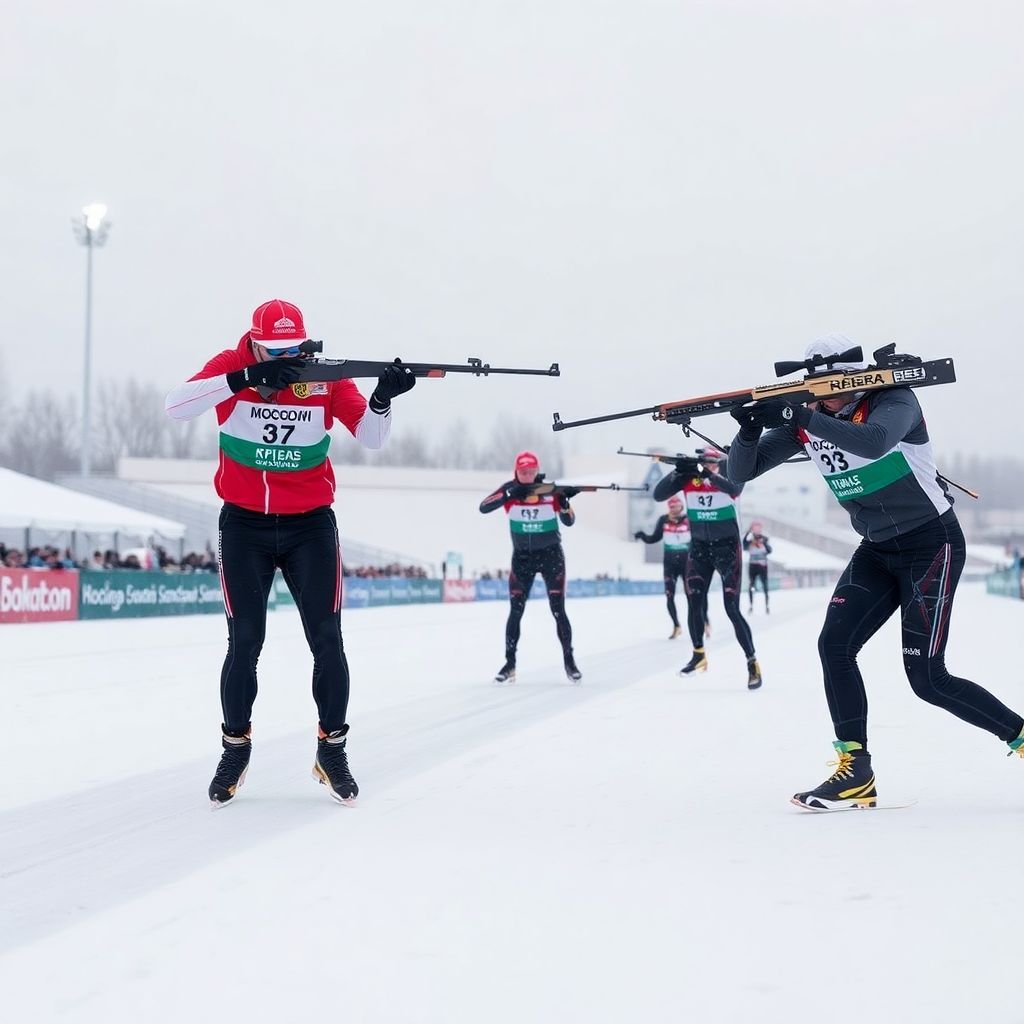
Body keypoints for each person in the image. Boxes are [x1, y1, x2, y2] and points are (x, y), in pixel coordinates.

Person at [727, 334, 1024, 810]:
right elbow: (741, 473)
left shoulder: (894, 400)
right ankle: (856, 771)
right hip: (877, 549)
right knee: (834, 646)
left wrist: (798, 415)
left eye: (831, 387)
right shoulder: (810, 417)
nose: (823, 398)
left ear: (853, 378)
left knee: (928, 680)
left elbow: (875, 442)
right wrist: (748, 430)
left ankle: (1020, 736)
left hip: (931, 544)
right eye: (814, 389)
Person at [164, 298, 415, 807]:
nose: (287, 357)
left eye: (294, 348)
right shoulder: (233, 364)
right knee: (245, 641)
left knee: (327, 640)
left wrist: (382, 399)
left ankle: (332, 751)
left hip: (310, 526)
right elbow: (176, 406)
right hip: (244, 525)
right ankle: (235, 750)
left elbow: (371, 438)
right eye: (275, 350)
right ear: (254, 343)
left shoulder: (324, 377)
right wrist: (246, 378)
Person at [653, 447, 761, 688]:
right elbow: (658, 495)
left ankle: (752, 662)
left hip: (728, 550)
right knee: (694, 602)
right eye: (704, 462)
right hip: (700, 549)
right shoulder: (689, 478)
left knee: (731, 608)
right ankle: (698, 654)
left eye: (711, 462)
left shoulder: (730, 473)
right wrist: (677, 472)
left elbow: (735, 489)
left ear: (718, 463)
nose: (707, 466)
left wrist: (708, 474)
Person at [479, 451, 582, 684]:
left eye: (531, 472)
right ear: (516, 472)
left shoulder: (549, 490)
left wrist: (564, 504)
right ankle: (509, 664)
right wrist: (510, 493)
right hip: (522, 559)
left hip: (551, 557)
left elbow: (569, 521)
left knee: (558, 610)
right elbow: (484, 507)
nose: (527, 476)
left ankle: (570, 662)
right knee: (516, 611)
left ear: (537, 471)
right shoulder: (509, 490)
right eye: (523, 472)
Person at [634, 495, 709, 639]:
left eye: (677, 507)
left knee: (692, 596)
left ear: (681, 507)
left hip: (687, 564)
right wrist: (643, 536)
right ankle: (676, 626)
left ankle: (702, 622)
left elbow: (700, 538)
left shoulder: (689, 519)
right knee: (669, 596)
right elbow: (655, 538)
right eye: (672, 507)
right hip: (670, 564)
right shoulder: (663, 520)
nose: (674, 509)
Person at [743, 520, 772, 613]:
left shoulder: (764, 539)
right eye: (754, 528)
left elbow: (769, 550)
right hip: (753, 566)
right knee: (751, 585)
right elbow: (744, 546)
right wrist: (748, 533)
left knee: (765, 585)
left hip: (762, 566)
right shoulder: (750, 540)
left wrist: (763, 543)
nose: (756, 530)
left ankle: (767, 605)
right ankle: (751, 605)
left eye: (758, 528)